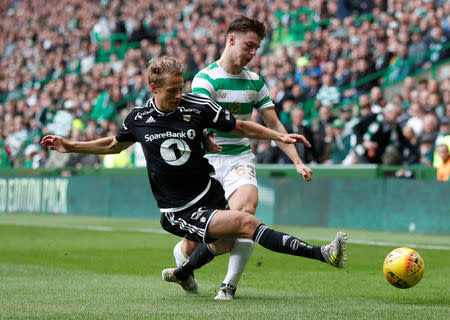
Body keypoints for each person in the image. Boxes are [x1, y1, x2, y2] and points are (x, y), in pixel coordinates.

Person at [40, 57, 347, 298]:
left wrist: (280, 136)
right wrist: (70, 145)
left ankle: (184, 271)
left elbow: (240, 127)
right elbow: (111, 144)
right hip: (179, 209)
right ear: (153, 88)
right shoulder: (137, 118)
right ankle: (323, 254)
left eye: (181, 87)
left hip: (209, 190)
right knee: (246, 222)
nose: (178, 95)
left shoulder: (197, 106)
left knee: (227, 243)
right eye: (172, 90)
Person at [186, 15, 313, 300]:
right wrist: (204, 132)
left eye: (256, 48)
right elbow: (205, 121)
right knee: (192, 244)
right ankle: (185, 271)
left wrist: (297, 161)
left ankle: (228, 286)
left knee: (245, 216)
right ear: (231, 39)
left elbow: (276, 126)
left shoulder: (255, 82)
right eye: (249, 46)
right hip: (206, 163)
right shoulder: (204, 79)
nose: (253, 53)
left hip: (239, 158)